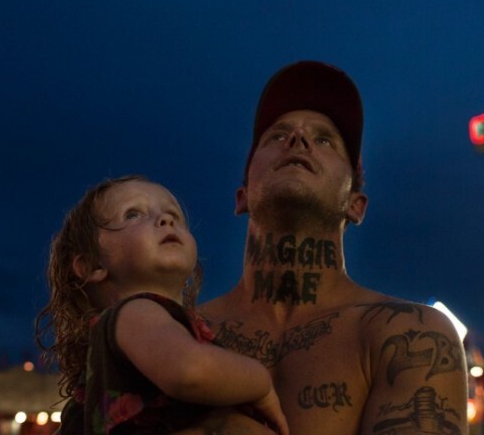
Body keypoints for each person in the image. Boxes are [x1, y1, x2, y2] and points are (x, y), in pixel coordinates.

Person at [192, 61, 469, 434]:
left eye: (324, 139)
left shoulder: (409, 336)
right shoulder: (180, 334)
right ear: (242, 197)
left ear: (356, 204)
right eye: (277, 136)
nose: (298, 140)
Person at [35, 175, 289, 435]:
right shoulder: (133, 312)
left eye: (174, 215)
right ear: (92, 266)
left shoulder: (161, 329)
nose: (165, 220)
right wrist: (261, 382)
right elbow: (190, 371)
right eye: (133, 214)